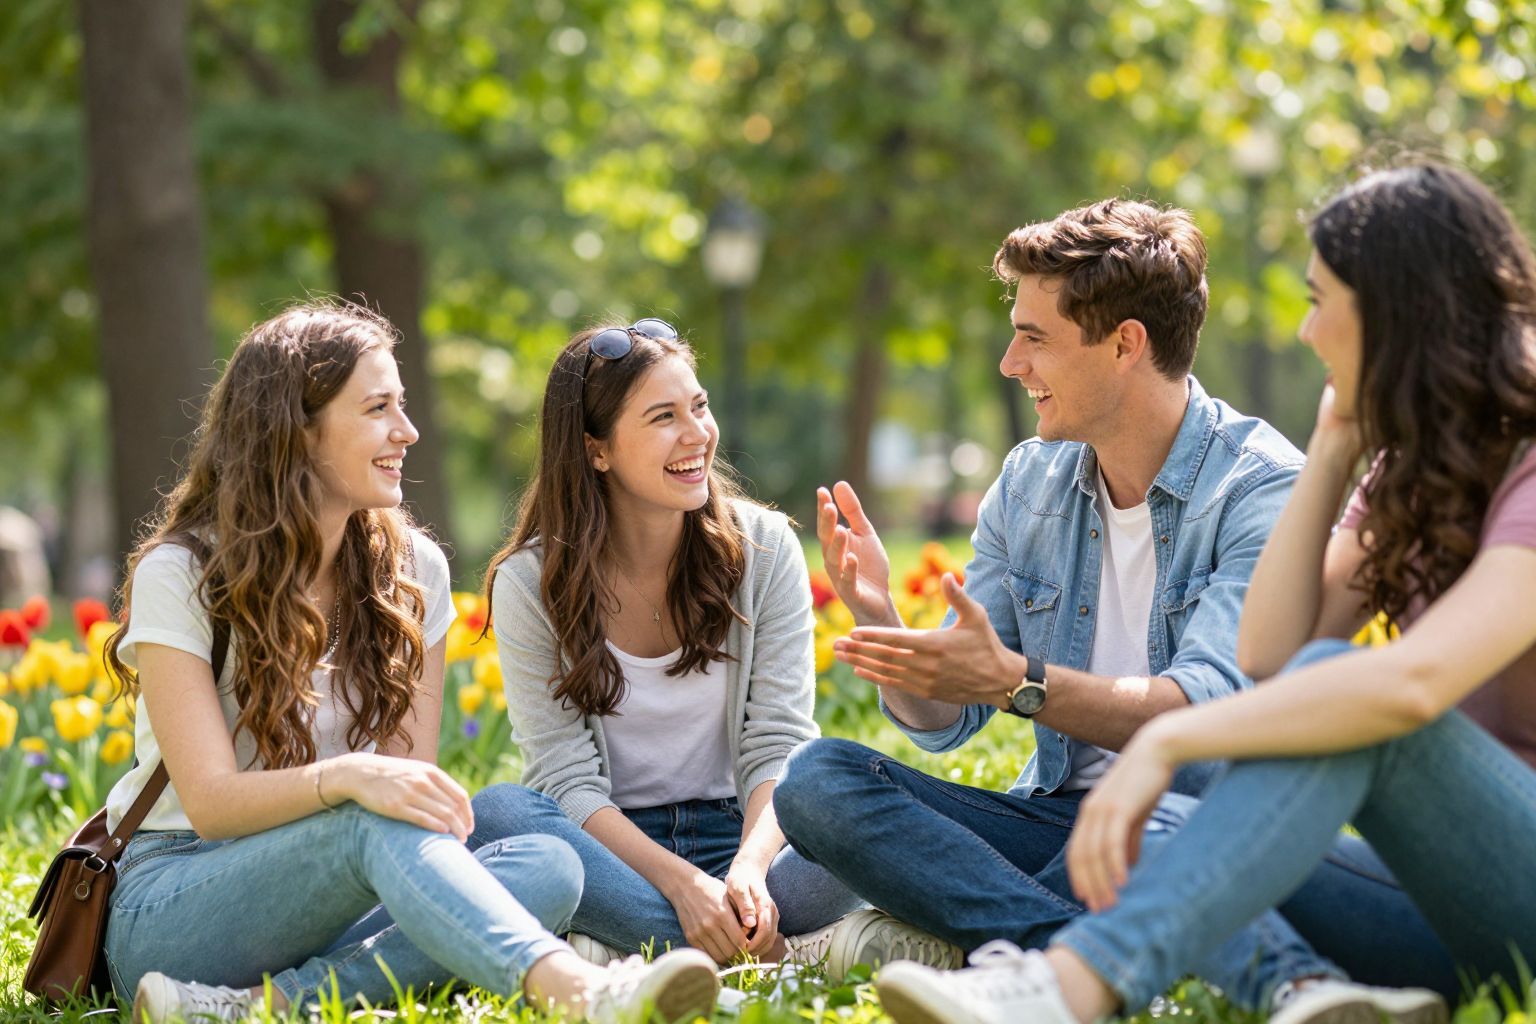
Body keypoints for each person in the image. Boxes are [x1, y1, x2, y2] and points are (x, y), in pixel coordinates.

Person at [872, 162, 1536, 1024]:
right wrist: (1335, 447)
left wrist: (1167, 741)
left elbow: (1406, 687)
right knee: (1154, 830)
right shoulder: (1410, 468)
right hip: (1461, 908)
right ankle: (1313, 995)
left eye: (1318, 299)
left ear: (1395, 311)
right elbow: (1271, 650)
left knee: (1359, 704)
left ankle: (1070, 987)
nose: (1305, 332)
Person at [770, 197, 1396, 998]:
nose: (1009, 363)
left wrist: (1015, 682)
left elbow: (1197, 714)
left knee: (814, 884)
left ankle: (1005, 947)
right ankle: (1073, 954)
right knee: (819, 785)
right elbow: (946, 721)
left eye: (1034, 338)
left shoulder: (1260, 489)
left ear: (1125, 345)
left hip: (1189, 830)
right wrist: (886, 624)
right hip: (1056, 828)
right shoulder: (1031, 481)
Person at [98, 303, 717, 1024]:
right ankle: (577, 991)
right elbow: (209, 803)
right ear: (297, 429)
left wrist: (386, 806)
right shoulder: (183, 571)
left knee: (550, 867)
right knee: (369, 811)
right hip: (178, 899)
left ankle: (249, 1008)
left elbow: (411, 797)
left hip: (340, 897)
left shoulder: (412, 572)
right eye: (378, 408)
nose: (408, 431)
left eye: (404, 405)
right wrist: (351, 779)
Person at [471, 317, 917, 977]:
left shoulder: (763, 549)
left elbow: (779, 744)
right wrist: (683, 886)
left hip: (749, 839)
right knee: (500, 814)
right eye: (662, 418)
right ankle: (781, 952)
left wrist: (748, 870)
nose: (697, 435)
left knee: (864, 802)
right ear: (597, 450)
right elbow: (564, 779)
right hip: (614, 852)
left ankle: (634, 946)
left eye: (699, 406)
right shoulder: (529, 584)